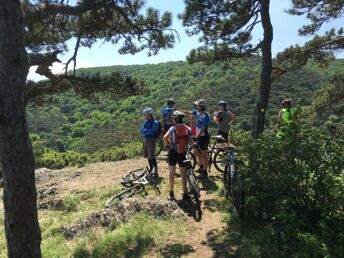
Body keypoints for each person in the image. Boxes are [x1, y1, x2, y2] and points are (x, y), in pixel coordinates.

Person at [164, 111, 195, 201]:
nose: (172, 120)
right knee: (183, 174)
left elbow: (165, 137)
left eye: (173, 118)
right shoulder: (187, 128)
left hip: (173, 152)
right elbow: (190, 141)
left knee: (171, 173)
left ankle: (171, 193)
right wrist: (193, 145)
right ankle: (185, 193)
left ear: (176, 119)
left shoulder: (173, 128)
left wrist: (168, 145)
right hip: (183, 152)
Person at [179, 100, 210, 178]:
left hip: (203, 137)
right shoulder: (197, 112)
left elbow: (203, 128)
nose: (196, 107)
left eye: (198, 106)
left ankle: (205, 172)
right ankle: (201, 166)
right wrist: (178, 110)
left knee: (204, 154)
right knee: (196, 151)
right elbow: (188, 112)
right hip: (198, 136)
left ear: (202, 107)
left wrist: (197, 136)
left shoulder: (206, 116)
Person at [140, 108, 160, 177]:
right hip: (146, 140)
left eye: (145, 114)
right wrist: (147, 131)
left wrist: (146, 131)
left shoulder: (155, 122)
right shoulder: (146, 122)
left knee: (152, 156)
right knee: (148, 156)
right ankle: (152, 170)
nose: (144, 116)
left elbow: (153, 131)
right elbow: (141, 130)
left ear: (149, 115)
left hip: (152, 140)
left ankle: (155, 172)